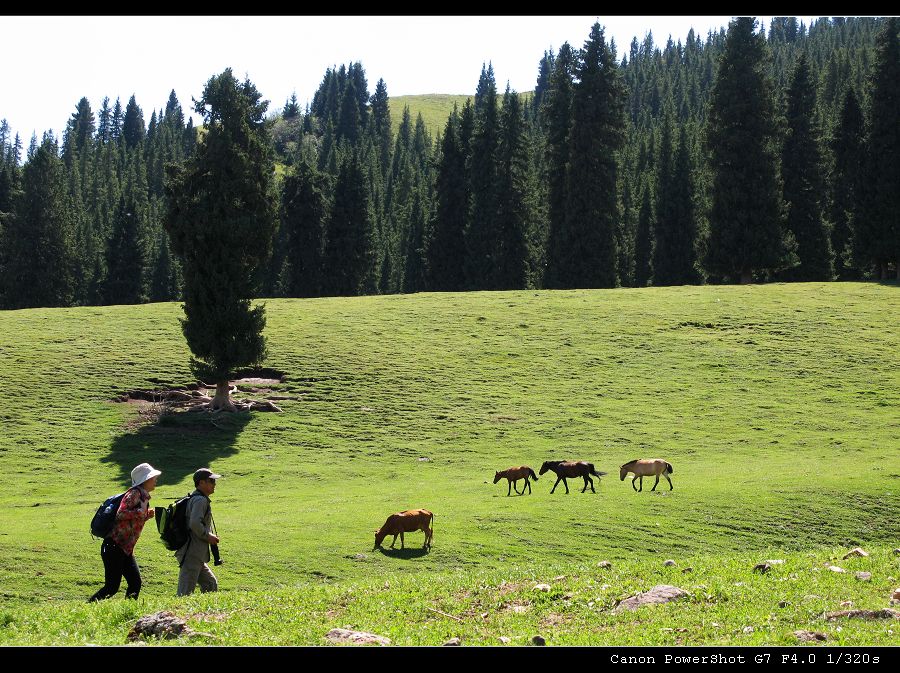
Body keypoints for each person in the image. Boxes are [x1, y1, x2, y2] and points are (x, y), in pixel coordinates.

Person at [89, 462, 161, 602]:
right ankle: (85, 609)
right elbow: (121, 514)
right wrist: (141, 513)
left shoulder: (143, 497)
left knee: (135, 583)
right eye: (153, 478)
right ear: (145, 480)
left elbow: (131, 520)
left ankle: (128, 611)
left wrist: (146, 516)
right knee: (111, 587)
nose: (155, 480)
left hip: (125, 549)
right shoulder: (134, 494)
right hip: (114, 546)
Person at [176, 467, 222, 596]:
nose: (214, 484)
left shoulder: (197, 498)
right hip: (191, 552)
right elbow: (195, 523)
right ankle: (177, 614)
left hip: (196, 553)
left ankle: (207, 613)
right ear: (201, 483)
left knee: (210, 584)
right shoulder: (200, 500)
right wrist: (208, 536)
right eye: (211, 481)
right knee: (185, 592)